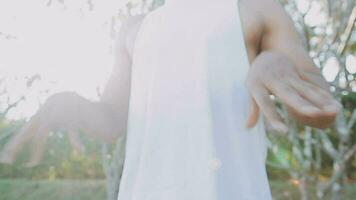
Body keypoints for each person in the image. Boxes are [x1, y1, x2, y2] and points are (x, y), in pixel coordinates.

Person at [0, 0, 341, 199]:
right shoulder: (135, 27)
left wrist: (272, 62)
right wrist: (74, 104)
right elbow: (111, 121)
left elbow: (324, 108)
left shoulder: (256, 10)